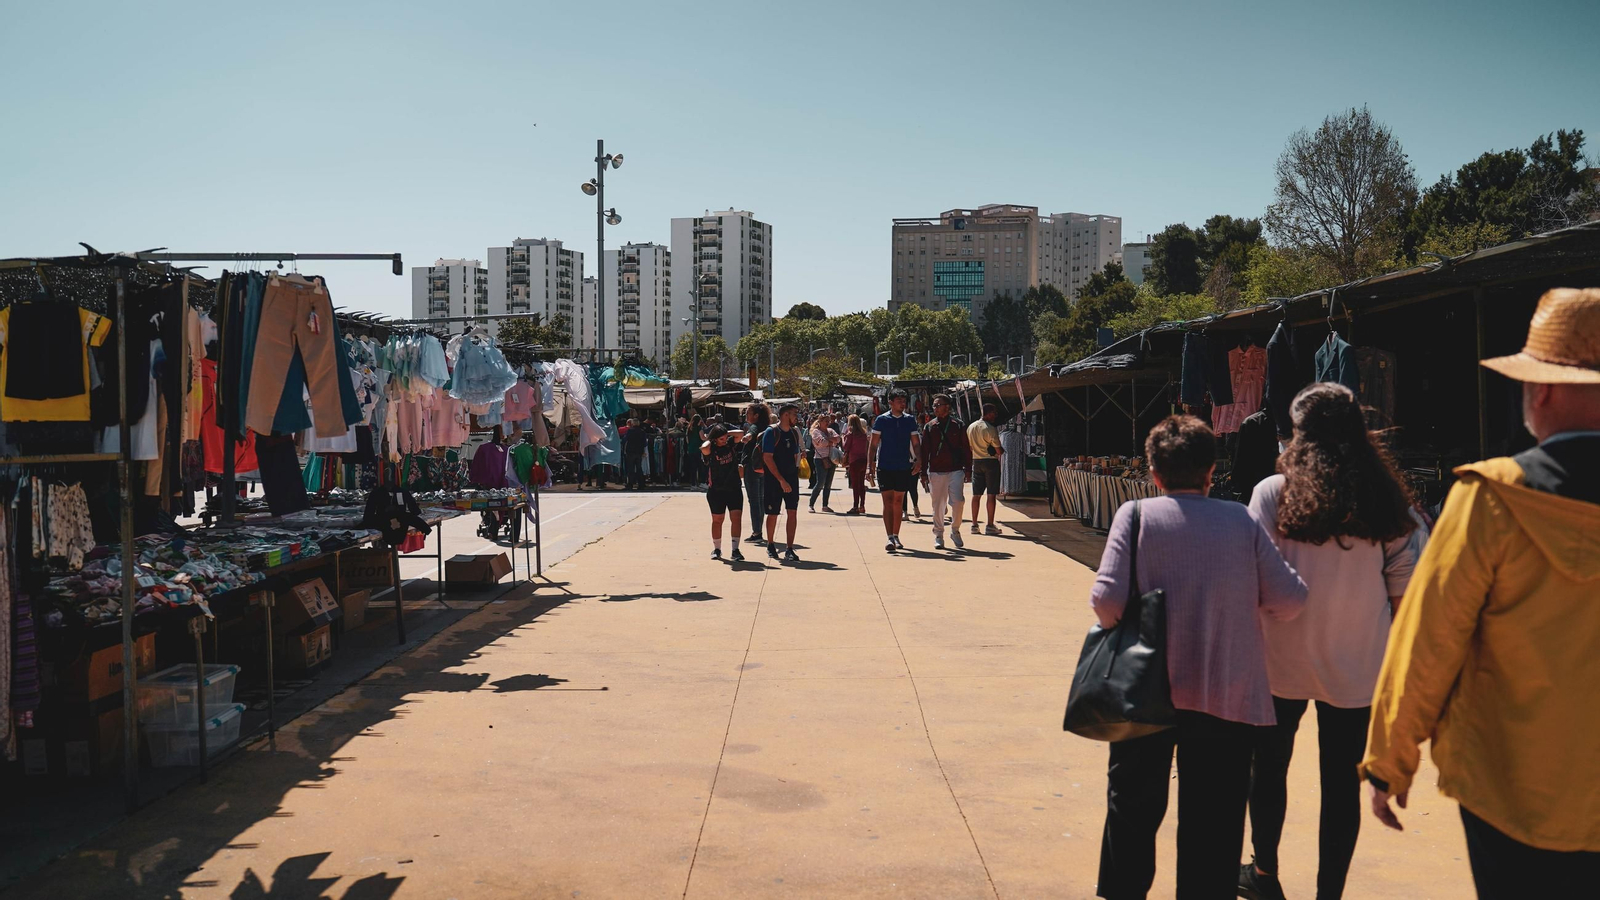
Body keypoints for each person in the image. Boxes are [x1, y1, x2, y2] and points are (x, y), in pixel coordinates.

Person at [1361, 288, 1600, 899]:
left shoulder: (1492, 500)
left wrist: (1390, 761)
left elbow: (1429, 639)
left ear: (1541, 389)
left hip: (1509, 791)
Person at [1091, 415, 1307, 900]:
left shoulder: (1136, 516)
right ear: (1212, 471)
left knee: (1132, 809)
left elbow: (1106, 603)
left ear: (1154, 472)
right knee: (1214, 819)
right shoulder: (1242, 520)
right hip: (1225, 694)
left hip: (1144, 691)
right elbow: (1290, 600)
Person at [1239, 383, 1419, 900]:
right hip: (1358, 667)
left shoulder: (1272, 493)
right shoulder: (1387, 501)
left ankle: (1265, 876)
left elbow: (1253, 578)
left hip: (1279, 662)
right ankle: (1329, 895)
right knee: (1342, 786)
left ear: (1298, 435)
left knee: (1268, 769)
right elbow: (1405, 592)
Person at [868, 390, 921, 552]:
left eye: (904, 400)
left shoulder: (910, 420)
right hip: (885, 466)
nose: (902, 403)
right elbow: (873, 444)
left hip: (903, 466)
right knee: (888, 502)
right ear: (890, 402)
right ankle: (889, 536)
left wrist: (918, 460)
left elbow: (916, 443)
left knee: (899, 501)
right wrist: (870, 465)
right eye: (899, 400)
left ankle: (896, 535)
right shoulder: (882, 420)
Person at [919, 395, 971, 550]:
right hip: (936, 471)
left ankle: (955, 530)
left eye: (938, 405)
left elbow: (966, 449)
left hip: (955, 470)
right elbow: (924, 451)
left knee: (958, 502)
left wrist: (968, 469)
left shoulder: (958, 425)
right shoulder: (929, 426)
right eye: (934, 406)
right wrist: (923, 473)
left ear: (947, 407)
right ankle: (939, 534)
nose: (934, 408)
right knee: (938, 505)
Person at [761, 403, 804, 562]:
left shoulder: (794, 433)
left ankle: (789, 548)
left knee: (792, 511)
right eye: (794, 414)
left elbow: (794, 454)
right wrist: (781, 480)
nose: (796, 418)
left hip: (791, 478)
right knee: (773, 513)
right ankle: (771, 544)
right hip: (774, 479)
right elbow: (767, 457)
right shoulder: (771, 432)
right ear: (785, 415)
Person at [700, 423, 746, 562]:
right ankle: (717, 549)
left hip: (734, 488)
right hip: (716, 490)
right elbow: (704, 447)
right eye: (721, 439)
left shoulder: (730, 444)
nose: (724, 440)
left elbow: (740, 434)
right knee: (717, 520)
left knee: (736, 518)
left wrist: (726, 433)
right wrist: (712, 437)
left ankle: (735, 549)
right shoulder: (711, 449)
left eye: (725, 438)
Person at [966, 402, 1005, 535]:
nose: (995, 416)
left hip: (976, 461)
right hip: (990, 463)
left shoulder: (971, 427)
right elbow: (999, 451)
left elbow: (969, 447)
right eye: (994, 413)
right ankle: (989, 525)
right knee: (991, 495)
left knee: (976, 495)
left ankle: (974, 525)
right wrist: (996, 450)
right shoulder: (990, 428)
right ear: (988, 413)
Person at [742, 403, 771, 544]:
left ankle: (757, 532)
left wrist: (747, 437)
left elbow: (751, 432)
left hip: (752, 467)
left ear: (756, 415)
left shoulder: (754, 427)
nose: (746, 415)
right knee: (759, 500)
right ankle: (759, 530)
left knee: (754, 500)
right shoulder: (767, 427)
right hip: (763, 467)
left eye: (748, 413)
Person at [809, 412, 840, 513]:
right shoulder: (815, 432)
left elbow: (838, 439)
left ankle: (825, 505)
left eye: (829, 421)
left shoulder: (830, 431)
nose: (828, 423)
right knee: (820, 482)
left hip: (831, 458)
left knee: (828, 484)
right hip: (820, 459)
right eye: (825, 421)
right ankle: (811, 504)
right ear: (820, 422)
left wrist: (828, 440)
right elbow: (822, 442)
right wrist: (831, 441)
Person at [842, 414, 871, 515]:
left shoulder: (850, 434)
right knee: (861, 485)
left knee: (855, 485)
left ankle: (855, 506)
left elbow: (846, 447)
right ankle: (862, 505)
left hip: (854, 461)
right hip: (863, 460)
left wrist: (844, 437)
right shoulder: (864, 434)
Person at [622, 416, 652, 490]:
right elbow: (645, 443)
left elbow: (625, 440)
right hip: (639, 452)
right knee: (639, 468)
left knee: (631, 468)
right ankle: (641, 484)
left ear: (632, 423)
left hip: (630, 451)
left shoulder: (629, 431)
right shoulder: (642, 431)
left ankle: (630, 484)